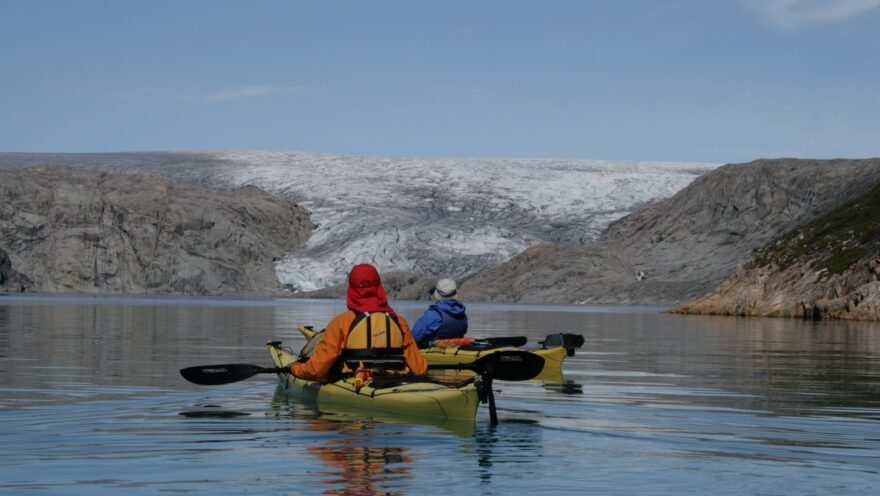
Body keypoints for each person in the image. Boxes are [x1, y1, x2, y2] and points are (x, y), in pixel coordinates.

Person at [290, 263, 427, 383]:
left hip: (353, 381)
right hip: (395, 379)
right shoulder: (399, 322)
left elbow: (316, 370)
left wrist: (296, 369)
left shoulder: (341, 322)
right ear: (379, 287)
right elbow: (419, 369)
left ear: (351, 289)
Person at [411, 278, 468, 348]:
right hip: (455, 349)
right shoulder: (462, 313)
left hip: (433, 350)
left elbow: (414, 337)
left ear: (437, 293)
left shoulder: (434, 314)